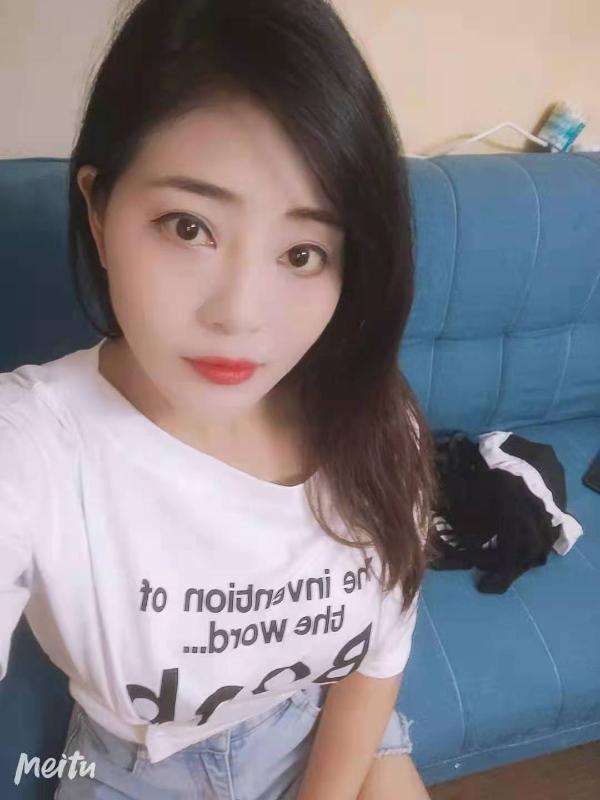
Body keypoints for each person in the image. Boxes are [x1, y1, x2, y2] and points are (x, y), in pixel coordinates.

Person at [0, 1, 440, 797]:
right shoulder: (32, 444)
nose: (240, 314)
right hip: (132, 769)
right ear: (98, 211)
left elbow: (377, 659)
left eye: (302, 253)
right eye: (188, 226)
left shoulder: (375, 420)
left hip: (322, 728)